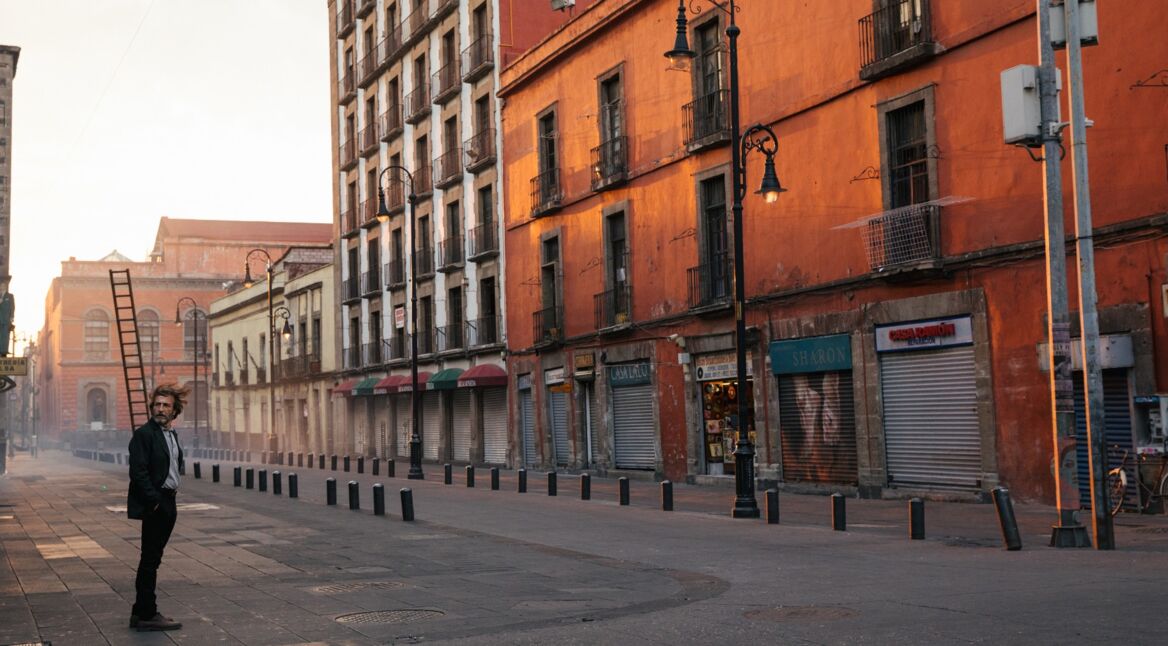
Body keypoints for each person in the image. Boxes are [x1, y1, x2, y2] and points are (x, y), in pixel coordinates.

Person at [126, 383, 189, 632]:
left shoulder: (170, 434)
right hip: (158, 502)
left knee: (153, 558)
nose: (161, 409)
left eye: (166, 405)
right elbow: (138, 472)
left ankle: (140, 610)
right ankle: (147, 614)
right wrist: (154, 502)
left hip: (169, 500)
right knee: (150, 560)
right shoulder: (144, 434)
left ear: (175, 411)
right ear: (152, 407)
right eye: (157, 405)